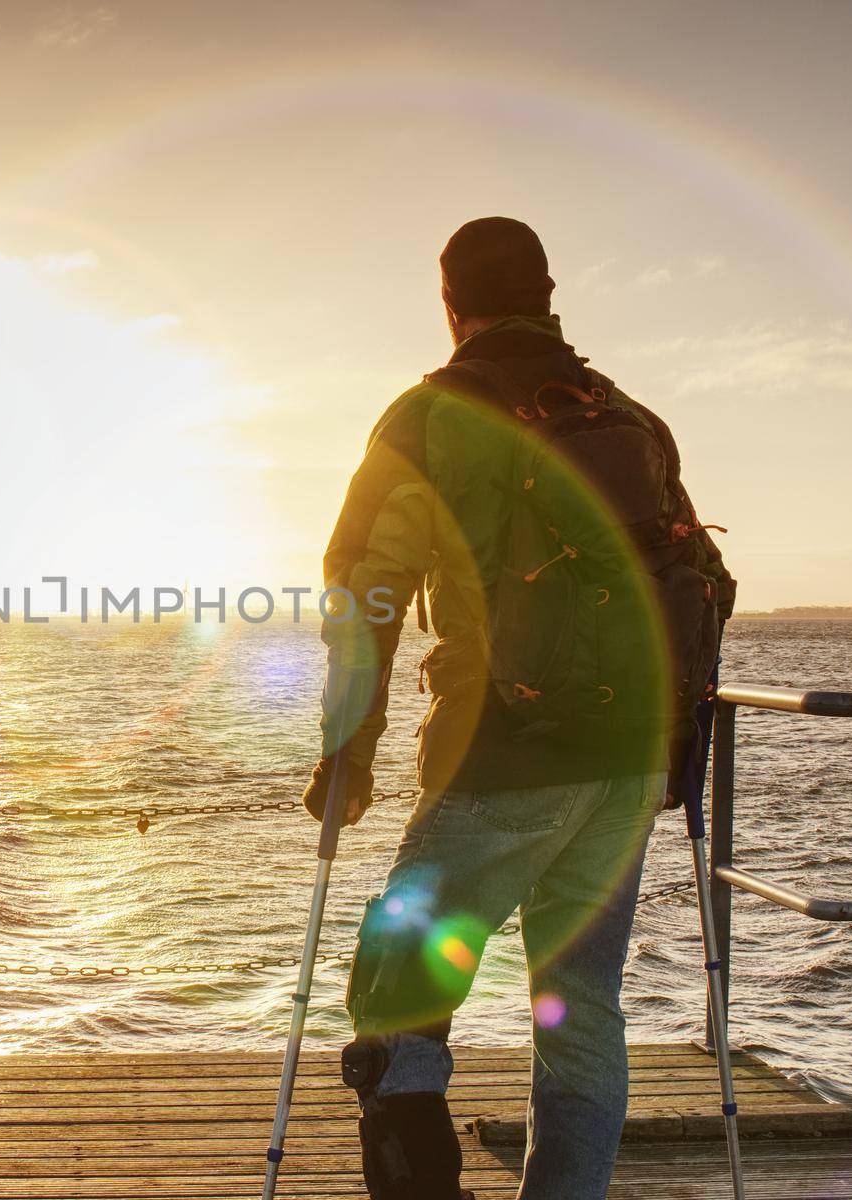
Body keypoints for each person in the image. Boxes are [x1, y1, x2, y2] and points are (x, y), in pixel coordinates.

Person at [302, 217, 736, 1200]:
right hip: (628, 769)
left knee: (395, 998)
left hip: (502, 757)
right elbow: (703, 579)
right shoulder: (627, 416)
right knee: (579, 1012)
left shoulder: (427, 418)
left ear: (449, 306)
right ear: (548, 296)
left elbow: (363, 590)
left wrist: (348, 754)